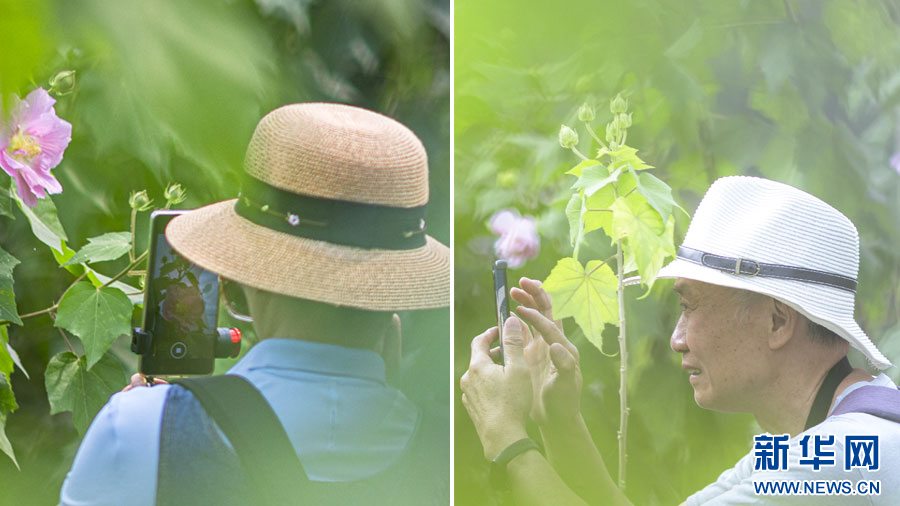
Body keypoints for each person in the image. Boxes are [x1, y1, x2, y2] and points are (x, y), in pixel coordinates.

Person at [59, 102, 450, 506]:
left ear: (236, 277)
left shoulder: (140, 429)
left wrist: (144, 422)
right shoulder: (450, 452)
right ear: (396, 291)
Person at [461, 176, 900, 505]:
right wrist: (557, 419)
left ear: (777, 322)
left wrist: (507, 441)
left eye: (690, 307)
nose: (676, 339)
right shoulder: (839, 438)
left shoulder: (841, 460)